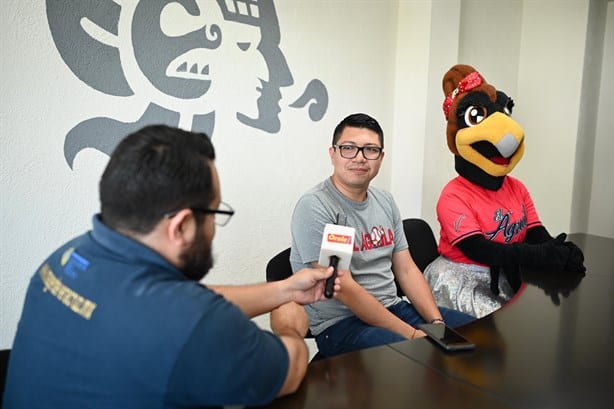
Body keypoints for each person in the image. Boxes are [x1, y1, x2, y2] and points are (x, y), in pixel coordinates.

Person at [3, 125, 341, 409]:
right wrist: (290, 328)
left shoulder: (67, 258)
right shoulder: (190, 326)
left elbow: (181, 303)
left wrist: (282, 289)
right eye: (214, 213)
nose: (212, 229)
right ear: (180, 226)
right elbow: (291, 369)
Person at [288, 113, 474, 358]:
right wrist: (411, 335)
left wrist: (436, 323)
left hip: (394, 308)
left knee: (477, 332)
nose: (360, 158)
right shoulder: (317, 206)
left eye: (370, 150)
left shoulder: (385, 201)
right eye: (348, 148)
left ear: (381, 157)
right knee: (416, 357)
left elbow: (406, 269)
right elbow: (343, 285)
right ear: (332, 154)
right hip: (342, 325)